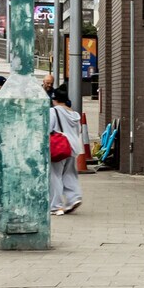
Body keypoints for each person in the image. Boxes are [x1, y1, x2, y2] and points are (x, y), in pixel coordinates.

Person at [48, 86, 85, 216]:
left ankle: (55, 206)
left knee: (55, 175)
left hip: (59, 146)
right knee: (69, 174)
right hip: (73, 147)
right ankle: (74, 198)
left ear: (55, 99)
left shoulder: (53, 112)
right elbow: (78, 130)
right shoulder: (75, 114)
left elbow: (48, 128)